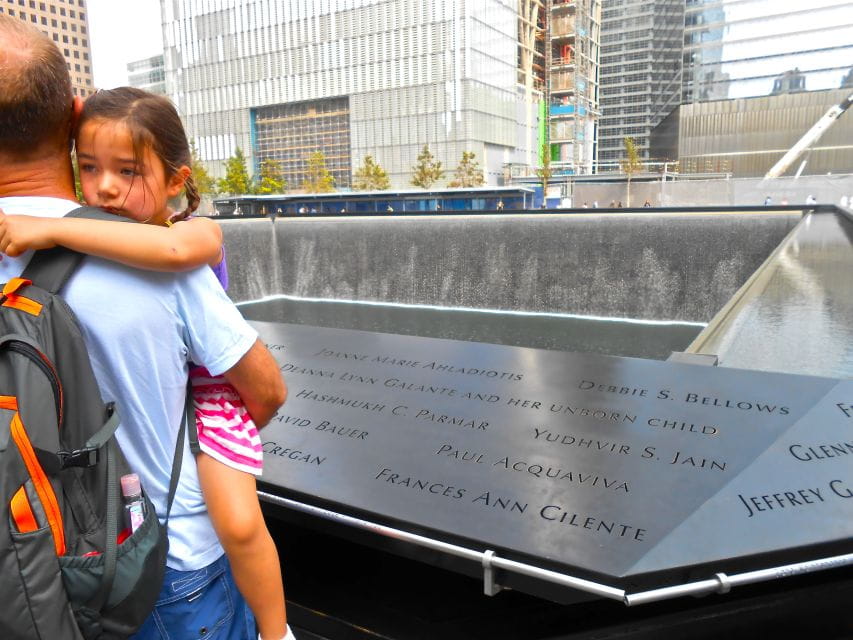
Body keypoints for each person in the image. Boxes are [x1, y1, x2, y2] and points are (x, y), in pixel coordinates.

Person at [0, 18, 288, 640]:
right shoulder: (155, 267)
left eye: (126, 171)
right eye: (92, 166)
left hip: (26, 573)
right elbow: (267, 391)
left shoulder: (172, 244)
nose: (106, 186)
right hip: (163, 567)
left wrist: (49, 230)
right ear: (74, 114)